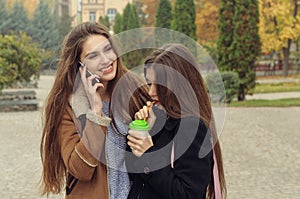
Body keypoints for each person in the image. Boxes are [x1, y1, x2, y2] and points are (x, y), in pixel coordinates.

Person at [40, 22, 149, 199]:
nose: (106, 60)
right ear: (79, 65)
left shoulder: (134, 87)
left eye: (108, 49)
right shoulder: (68, 105)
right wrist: (96, 113)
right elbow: (80, 170)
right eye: (93, 56)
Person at [125, 43, 227, 199]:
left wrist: (148, 153)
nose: (151, 92)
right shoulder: (160, 118)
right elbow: (134, 176)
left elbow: (188, 194)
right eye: (149, 83)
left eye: (159, 85)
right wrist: (141, 131)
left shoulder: (193, 128)